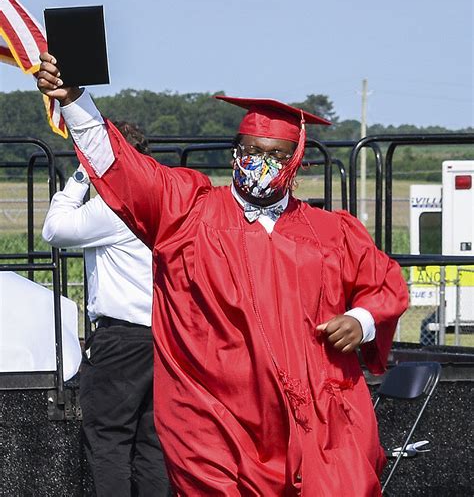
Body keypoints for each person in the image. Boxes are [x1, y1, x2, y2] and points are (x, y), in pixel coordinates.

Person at [38, 52, 408, 497]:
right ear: (236, 152)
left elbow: (383, 284)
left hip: (307, 416)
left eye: (276, 155)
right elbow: (128, 170)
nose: (261, 163)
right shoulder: (189, 213)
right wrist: (76, 100)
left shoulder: (329, 232)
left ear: (296, 161)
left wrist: (363, 320)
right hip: (217, 418)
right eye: (251, 151)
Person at [42, 121, 170, 497]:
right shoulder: (164, 203)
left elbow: (54, 229)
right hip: (165, 337)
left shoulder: (114, 209)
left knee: (108, 440)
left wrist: (82, 174)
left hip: (122, 338)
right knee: (153, 442)